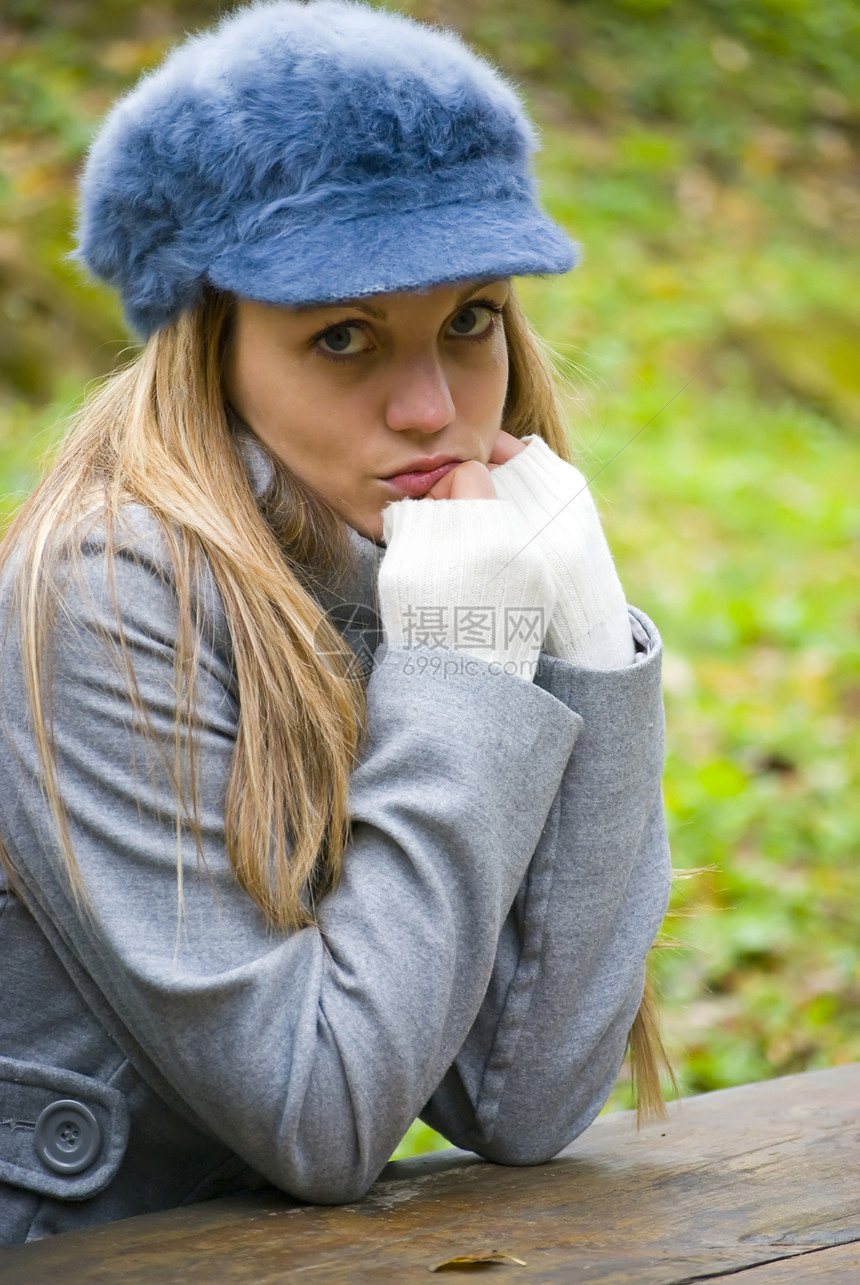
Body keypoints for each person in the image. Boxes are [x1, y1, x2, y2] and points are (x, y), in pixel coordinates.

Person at [0, 0, 671, 1245]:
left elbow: (524, 1098)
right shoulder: (98, 588)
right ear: (209, 344)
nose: (429, 407)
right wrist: (462, 666)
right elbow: (322, 1114)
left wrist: (584, 647)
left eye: (468, 319)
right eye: (344, 335)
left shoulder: (413, 545)